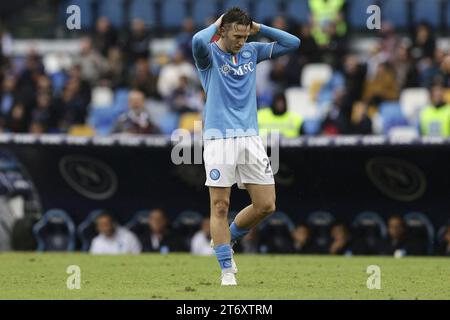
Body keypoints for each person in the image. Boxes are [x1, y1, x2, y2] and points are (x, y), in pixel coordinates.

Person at [192, 7, 300, 285]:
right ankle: (227, 269)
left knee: (266, 205)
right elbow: (196, 41)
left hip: (250, 138)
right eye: (236, 35)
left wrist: (259, 28)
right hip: (219, 139)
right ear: (222, 31)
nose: (241, 41)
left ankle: (228, 238)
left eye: (244, 35)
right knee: (219, 205)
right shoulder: (209, 56)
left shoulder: (252, 51)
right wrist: (215, 23)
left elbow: (293, 43)